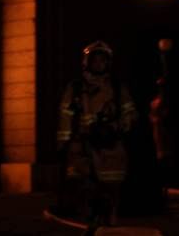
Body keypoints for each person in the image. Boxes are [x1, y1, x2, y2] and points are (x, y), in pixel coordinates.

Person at [56, 40, 137, 233]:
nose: (99, 64)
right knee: (83, 189)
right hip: (81, 147)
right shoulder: (75, 89)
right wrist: (63, 145)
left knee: (111, 187)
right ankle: (87, 224)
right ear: (87, 62)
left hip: (110, 147)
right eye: (96, 61)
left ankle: (110, 222)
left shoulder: (118, 88)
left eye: (103, 61)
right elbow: (64, 118)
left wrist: (116, 127)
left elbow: (131, 114)